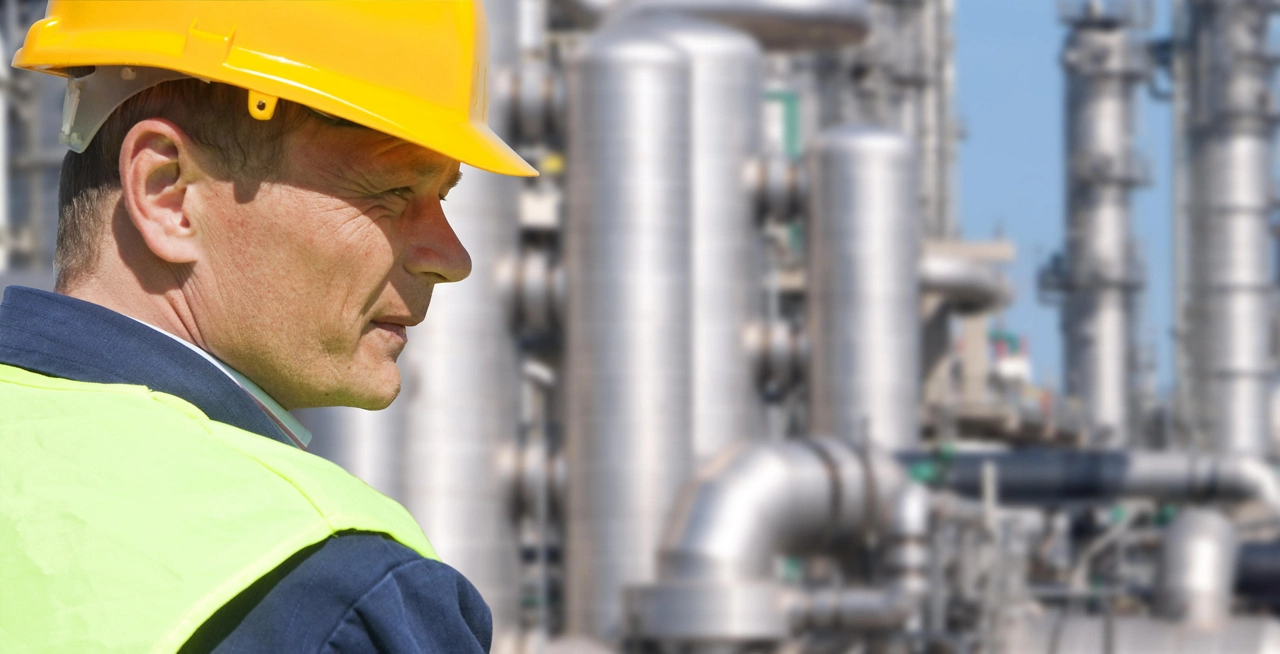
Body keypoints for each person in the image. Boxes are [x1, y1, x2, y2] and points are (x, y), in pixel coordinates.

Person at [0, 2, 536, 652]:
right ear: (168, 192)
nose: (452, 259)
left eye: (443, 198)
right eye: (392, 192)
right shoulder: (332, 590)